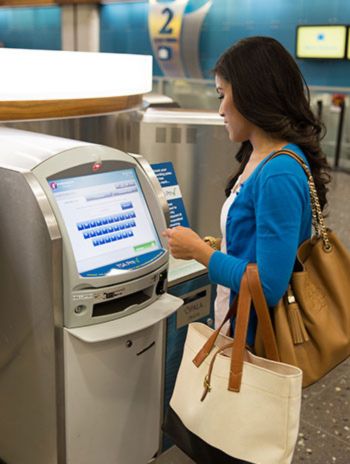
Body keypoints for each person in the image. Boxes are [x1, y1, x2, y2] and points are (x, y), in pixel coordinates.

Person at [162, 36, 330, 345]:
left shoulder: (278, 172)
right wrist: (219, 246)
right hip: (236, 321)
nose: (220, 110)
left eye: (222, 94)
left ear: (253, 95)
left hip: (255, 338)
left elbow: (268, 285)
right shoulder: (260, 155)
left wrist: (200, 253)